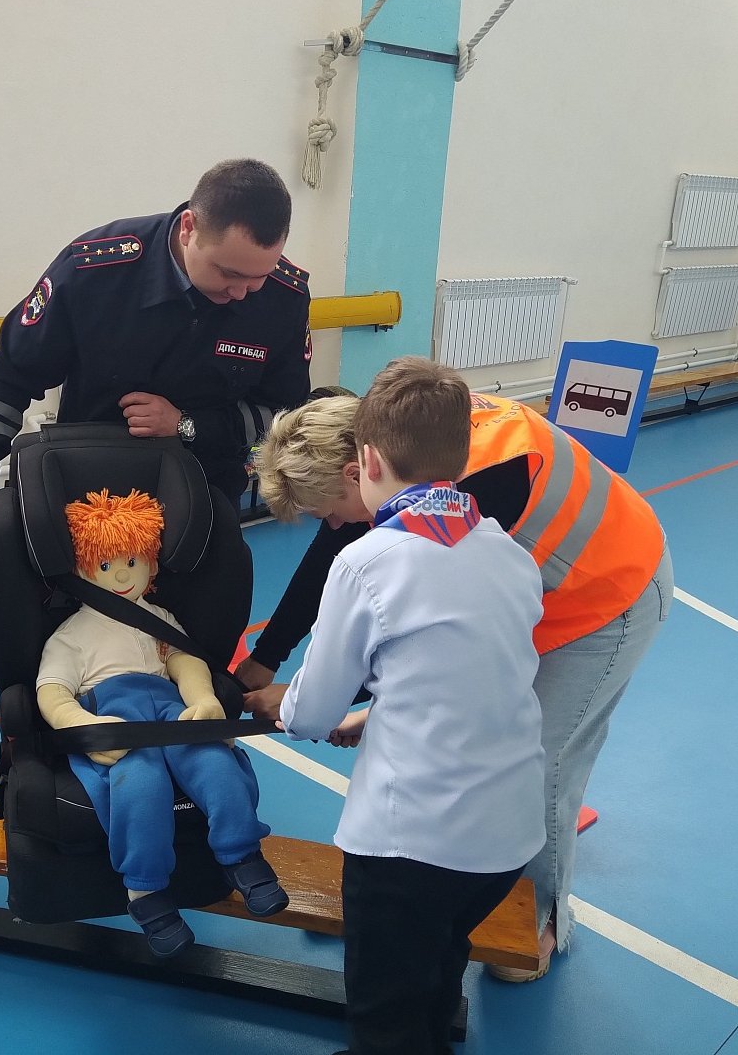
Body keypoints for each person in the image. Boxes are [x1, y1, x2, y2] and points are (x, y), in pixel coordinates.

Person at [239, 363, 674, 982]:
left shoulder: (477, 486)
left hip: (610, 594)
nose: (331, 526)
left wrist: (312, 698)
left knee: (547, 760)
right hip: (536, 591)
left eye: (326, 510)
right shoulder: (407, 445)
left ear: (360, 470)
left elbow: (425, 633)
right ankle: (405, 893)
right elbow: (340, 556)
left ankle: (539, 918)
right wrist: (267, 658)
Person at [277, 358, 547, 1055]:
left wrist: (290, 704)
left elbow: (309, 714)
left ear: (366, 460)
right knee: (438, 963)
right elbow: (467, 677)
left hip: (412, 848)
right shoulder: (510, 554)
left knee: (384, 1015)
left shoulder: (367, 561)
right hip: (505, 841)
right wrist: (375, 714)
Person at [0, 158, 312, 538]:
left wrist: (187, 424)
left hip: (203, 497)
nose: (241, 292)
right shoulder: (95, 272)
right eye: (228, 273)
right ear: (188, 228)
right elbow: (11, 376)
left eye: (259, 277)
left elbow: (282, 415)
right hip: (88, 496)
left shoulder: (283, 298)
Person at [37, 488, 288, 959]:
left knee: (215, 763)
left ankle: (242, 854)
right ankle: (145, 889)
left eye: (132, 562)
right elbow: (51, 691)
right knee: (140, 784)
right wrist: (83, 725)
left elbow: (183, 661)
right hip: (115, 717)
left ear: (150, 564)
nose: (121, 575)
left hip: (171, 709)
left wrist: (202, 698)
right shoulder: (70, 637)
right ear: (84, 570)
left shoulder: (161, 618)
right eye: (106, 565)